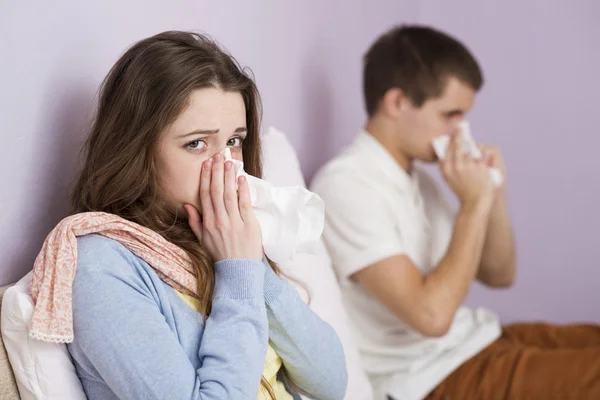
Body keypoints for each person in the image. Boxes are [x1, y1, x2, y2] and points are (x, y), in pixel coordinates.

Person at [31, 31, 347, 400]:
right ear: (138, 149)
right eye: (197, 143)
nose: (226, 166)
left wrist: (252, 265)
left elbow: (330, 382)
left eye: (234, 141)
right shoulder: (101, 266)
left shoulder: (222, 242)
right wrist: (238, 271)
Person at [311, 25, 600, 400]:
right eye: (450, 115)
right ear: (396, 102)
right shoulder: (347, 185)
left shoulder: (420, 181)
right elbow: (431, 317)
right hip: (433, 376)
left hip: (477, 340)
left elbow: (500, 274)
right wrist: (474, 204)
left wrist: (491, 192)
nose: (460, 132)